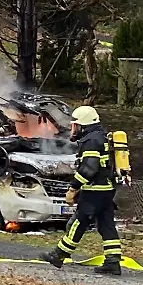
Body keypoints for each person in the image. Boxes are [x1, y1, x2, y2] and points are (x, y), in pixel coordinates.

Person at [41, 106, 122, 276]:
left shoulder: (91, 141)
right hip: (107, 190)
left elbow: (89, 169)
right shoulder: (101, 137)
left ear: (83, 125)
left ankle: (59, 254)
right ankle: (113, 262)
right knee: (107, 225)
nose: (73, 129)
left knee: (78, 222)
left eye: (75, 125)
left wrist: (73, 187)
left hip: (94, 191)